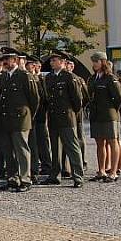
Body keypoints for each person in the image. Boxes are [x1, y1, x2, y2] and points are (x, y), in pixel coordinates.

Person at [0, 48, 39, 192]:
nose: (4, 62)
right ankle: (13, 178)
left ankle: (26, 179)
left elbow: (34, 99)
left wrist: (28, 115)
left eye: (7, 59)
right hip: (6, 119)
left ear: (14, 60)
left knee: (21, 149)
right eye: (4, 59)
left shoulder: (24, 75)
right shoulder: (3, 77)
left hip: (21, 119)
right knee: (8, 150)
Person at [42, 51, 84, 188]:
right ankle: (55, 175)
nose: (51, 62)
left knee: (72, 146)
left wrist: (72, 113)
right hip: (54, 117)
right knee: (55, 148)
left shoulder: (69, 77)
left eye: (54, 60)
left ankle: (77, 175)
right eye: (51, 60)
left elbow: (77, 100)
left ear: (63, 62)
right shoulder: (48, 78)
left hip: (67, 117)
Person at [87, 52, 121, 183]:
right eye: (93, 62)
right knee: (99, 144)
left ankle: (113, 172)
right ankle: (101, 171)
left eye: (96, 61)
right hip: (96, 115)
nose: (94, 64)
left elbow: (120, 99)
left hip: (109, 115)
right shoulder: (93, 78)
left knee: (112, 141)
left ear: (103, 62)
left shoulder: (110, 78)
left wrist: (114, 111)